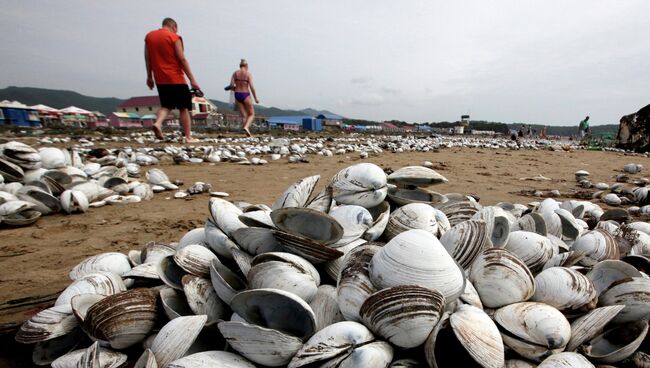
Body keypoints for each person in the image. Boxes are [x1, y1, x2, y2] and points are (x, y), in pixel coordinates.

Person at [145, 17, 200, 143]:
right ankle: (188, 137)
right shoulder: (174, 37)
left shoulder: (149, 37)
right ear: (173, 27)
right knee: (184, 108)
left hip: (160, 79)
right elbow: (181, 59)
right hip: (176, 78)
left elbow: (147, 59)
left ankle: (158, 123)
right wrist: (192, 79)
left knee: (166, 106)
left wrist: (149, 76)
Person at [230, 59, 259, 137]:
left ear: (240, 66)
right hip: (245, 94)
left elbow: (232, 86)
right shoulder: (248, 74)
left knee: (244, 115)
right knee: (252, 114)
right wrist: (256, 98)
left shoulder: (235, 73)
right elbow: (252, 87)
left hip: (237, 94)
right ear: (246, 66)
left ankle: (247, 132)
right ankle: (246, 127)